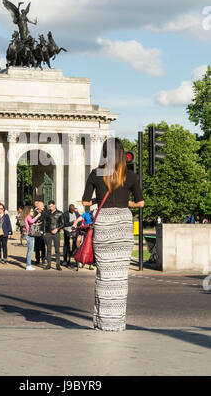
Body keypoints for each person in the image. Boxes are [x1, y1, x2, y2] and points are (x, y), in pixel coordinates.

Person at [82, 138, 144, 332]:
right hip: (123, 226)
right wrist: (128, 204)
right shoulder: (130, 176)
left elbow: (84, 203)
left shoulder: (95, 174)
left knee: (104, 275)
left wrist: (96, 200)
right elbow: (140, 203)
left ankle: (102, 322)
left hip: (104, 225)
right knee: (120, 277)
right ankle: (117, 323)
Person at [44, 201, 64, 271]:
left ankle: (58, 265)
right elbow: (45, 222)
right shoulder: (47, 213)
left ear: (54, 205)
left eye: (52, 206)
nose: (51, 208)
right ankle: (48, 265)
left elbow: (62, 223)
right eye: (50, 206)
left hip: (56, 233)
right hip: (48, 233)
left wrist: (57, 229)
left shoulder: (60, 213)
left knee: (57, 250)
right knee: (48, 249)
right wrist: (44, 232)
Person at [23, 206, 41, 270]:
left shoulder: (28, 217)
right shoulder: (28, 217)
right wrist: (37, 216)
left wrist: (36, 224)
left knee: (30, 250)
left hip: (30, 235)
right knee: (30, 251)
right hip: (29, 235)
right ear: (28, 211)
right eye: (32, 211)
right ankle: (28, 265)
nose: (33, 212)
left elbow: (31, 224)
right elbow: (31, 221)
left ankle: (28, 264)